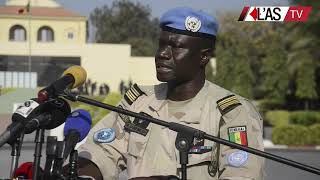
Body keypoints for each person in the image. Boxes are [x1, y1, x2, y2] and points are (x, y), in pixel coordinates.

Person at [73, 7, 264, 180]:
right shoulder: (137, 103)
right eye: (161, 44)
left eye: (176, 47)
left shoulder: (232, 113)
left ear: (203, 57)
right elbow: (102, 152)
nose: (162, 54)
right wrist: (84, 174)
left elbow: (242, 174)